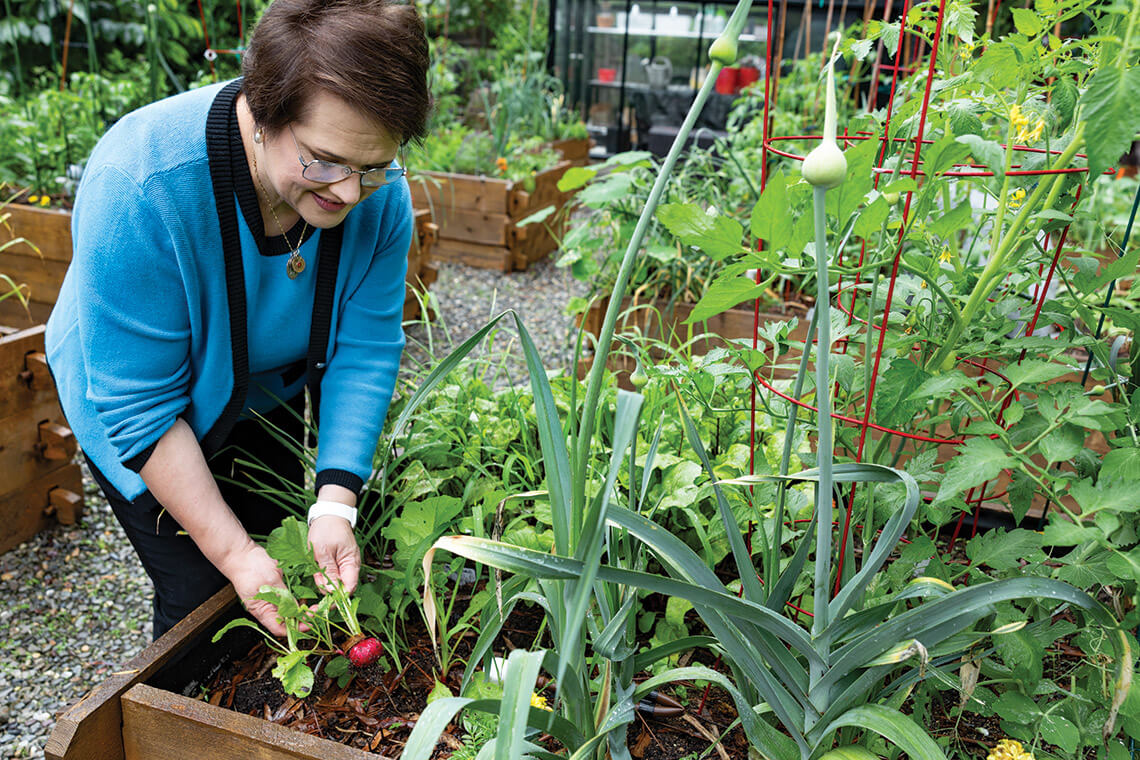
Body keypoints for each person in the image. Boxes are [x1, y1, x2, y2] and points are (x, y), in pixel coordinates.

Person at [45, 0, 431, 639]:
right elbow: (138, 406)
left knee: (282, 553)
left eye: (373, 167)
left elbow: (365, 346)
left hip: (259, 389)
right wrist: (232, 555)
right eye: (323, 159)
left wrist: (336, 504)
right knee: (202, 598)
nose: (347, 193)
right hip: (141, 406)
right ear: (263, 108)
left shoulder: (375, 193)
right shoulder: (141, 182)